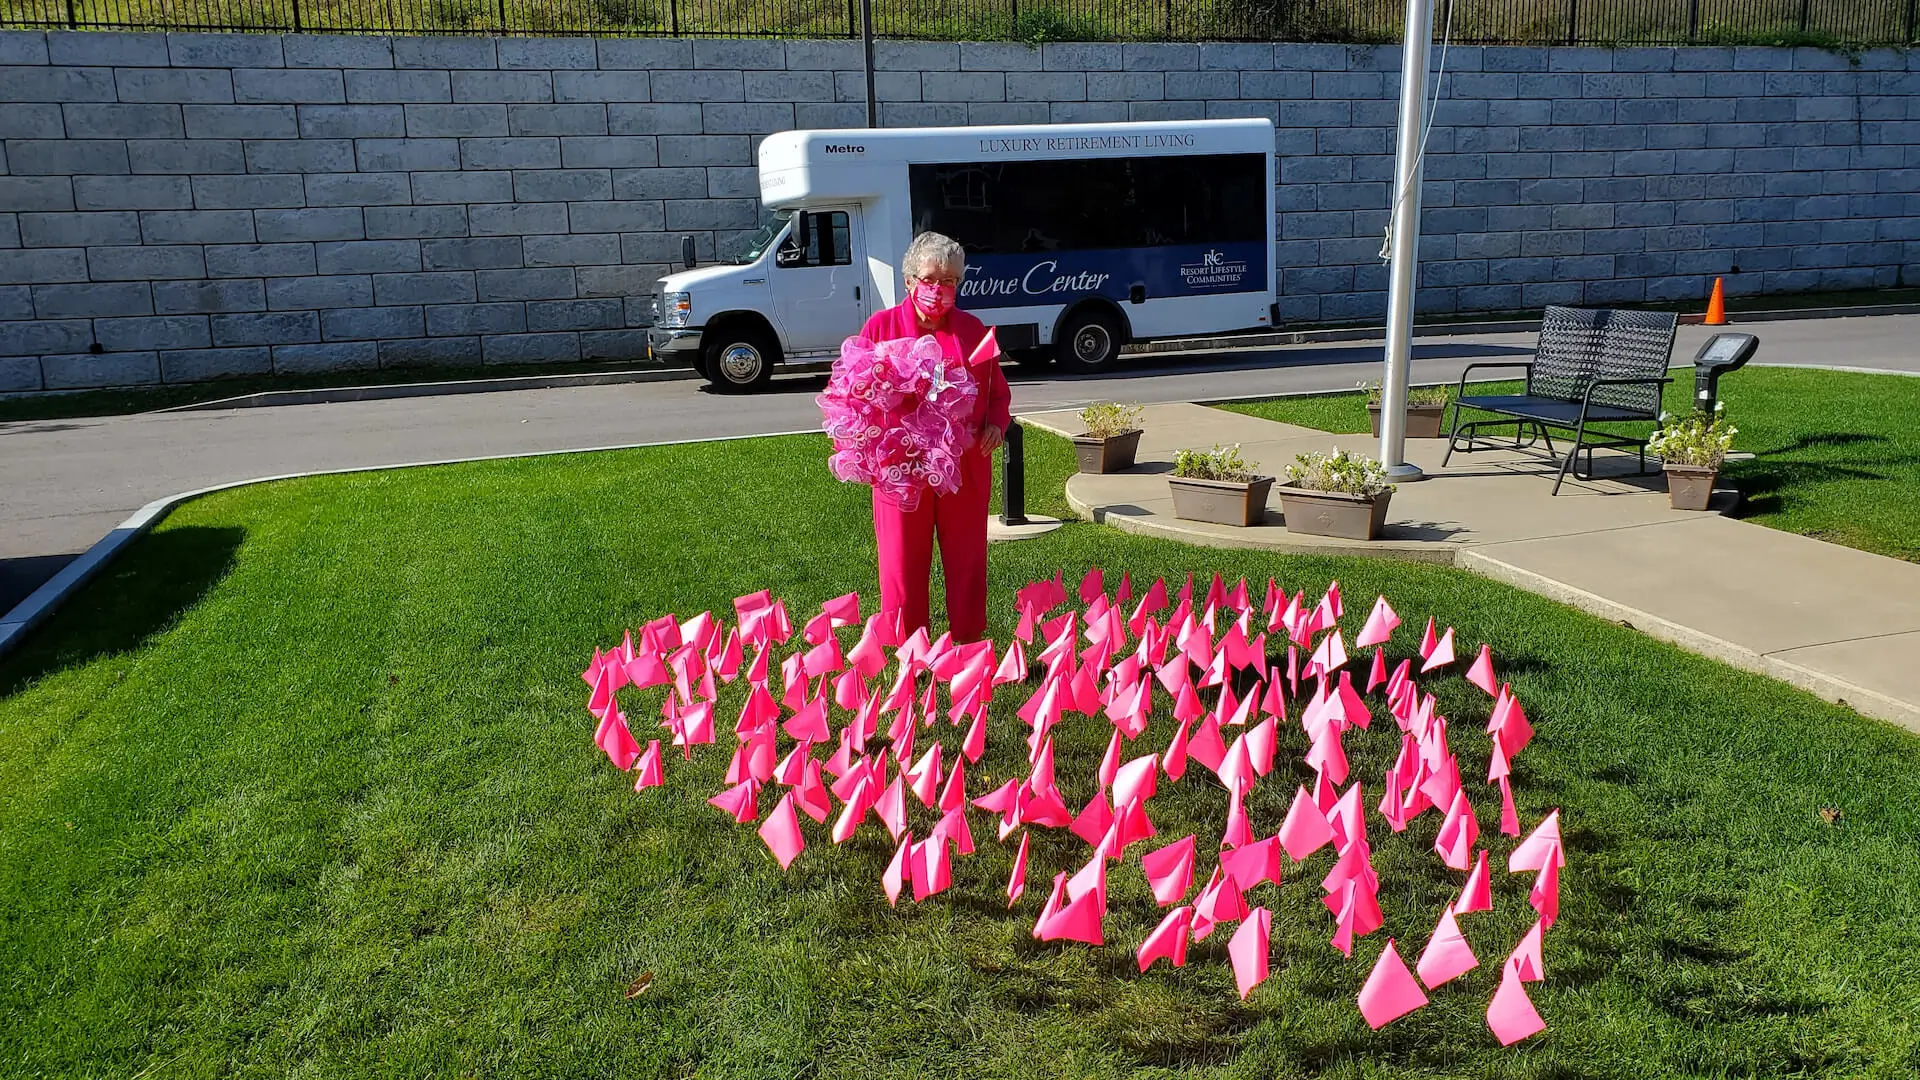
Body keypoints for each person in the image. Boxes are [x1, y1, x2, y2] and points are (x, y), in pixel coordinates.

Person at [859, 231, 1010, 644]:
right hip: (901, 471)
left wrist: (997, 422)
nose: (939, 290)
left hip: (964, 467)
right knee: (902, 561)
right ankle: (911, 648)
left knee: (966, 557)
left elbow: (998, 392)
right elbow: (854, 397)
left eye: (950, 281)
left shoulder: (973, 330)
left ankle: (968, 641)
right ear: (909, 281)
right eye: (930, 280)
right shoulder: (880, 329)